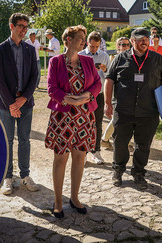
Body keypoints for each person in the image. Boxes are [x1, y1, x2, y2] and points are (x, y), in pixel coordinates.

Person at [104, 27, 162, 189]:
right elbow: (109, 80)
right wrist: (108, 103)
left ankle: (138, 173)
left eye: (146, 38)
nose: (144, 41)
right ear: (132, 41)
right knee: (120, 142)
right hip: (123, 110)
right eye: (140, 39)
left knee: (143, 145)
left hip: (148, 112)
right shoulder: (120, 58)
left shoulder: (158, 59)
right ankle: (118, 170)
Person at [45, 25, 102, 218]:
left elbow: (97, 83)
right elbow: (51, 88)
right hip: (63, 118)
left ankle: (75, 198)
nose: (84, 41)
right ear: (68, 40)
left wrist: (87, 95)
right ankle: (58, 201)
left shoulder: (87, 61)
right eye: (80, 37)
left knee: (80, 158)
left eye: (84, 38)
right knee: (60, 159)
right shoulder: (56, 62)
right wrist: (68, 99)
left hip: (84, 117)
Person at [0, 13, 40, 195]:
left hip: (26, 103)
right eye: (21, 26)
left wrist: (23, 99)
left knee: (25, 140)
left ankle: (25, 176)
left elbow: (35, 76)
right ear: (11, 26)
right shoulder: (0, 50)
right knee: (7, 141)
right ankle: (7, 178)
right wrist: (12, 104)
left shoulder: (30, 49)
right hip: (6, 105)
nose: (24, 30)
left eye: (26, 27)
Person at [79, 31, 111, 164]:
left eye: (97, 46)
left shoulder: (104, 56)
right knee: (83, 123)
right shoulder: (80, 55)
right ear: (87, 43)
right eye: (92, 46)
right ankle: (83, 153)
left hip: (99, 94)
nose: (94, 49)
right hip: (83, 95)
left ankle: (96, 151)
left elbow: (110, 74)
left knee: (97, 123)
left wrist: (104, 70)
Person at [101, 36, 130, 150]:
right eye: (122, 44)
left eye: (127, 44)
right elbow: (109, 78)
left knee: (121, 118)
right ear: (117, 46)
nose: (124, 47)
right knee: (118, 118)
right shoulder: (114, 59)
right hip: (116, 93)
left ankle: (106, 139)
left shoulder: (131, 58)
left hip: (127, 93)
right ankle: (106, 139)